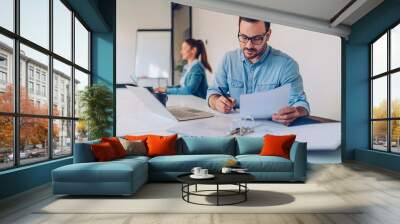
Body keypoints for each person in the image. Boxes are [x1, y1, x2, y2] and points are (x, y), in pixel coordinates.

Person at [207, 17, 310, 125]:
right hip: (235, 130)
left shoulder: (286, 65)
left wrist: (297, 112)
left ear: (268, 35)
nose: (249, 45)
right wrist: (216, 102)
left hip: (270, 133)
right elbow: (213, 92)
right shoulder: (228, 59)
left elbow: (300, 102)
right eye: (244, 37)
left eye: (256, 39)